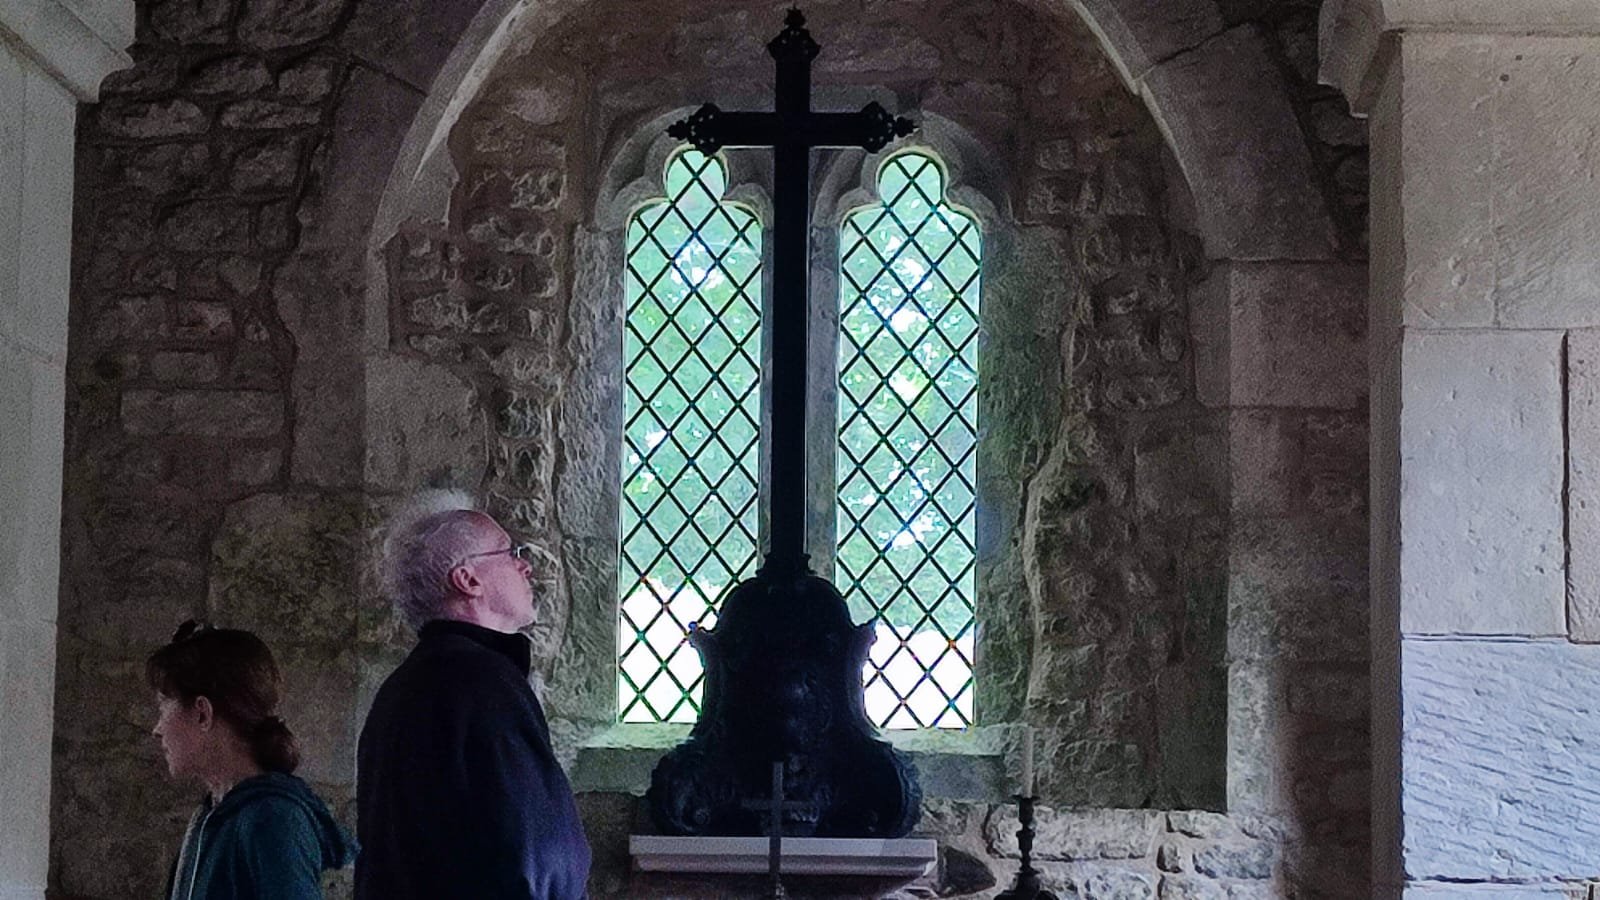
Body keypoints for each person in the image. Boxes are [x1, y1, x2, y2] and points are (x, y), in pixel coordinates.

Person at [356, 490, 591, 900]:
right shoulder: (483, 685)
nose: (526, 566)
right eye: (509, 551)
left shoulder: (401, 688)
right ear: (467, 579)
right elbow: (537, 853)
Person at [149, 621, 357, 900]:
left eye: (164, 705)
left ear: (202, 713)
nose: (157, 728)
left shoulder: (274, 822)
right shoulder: (215, 815)